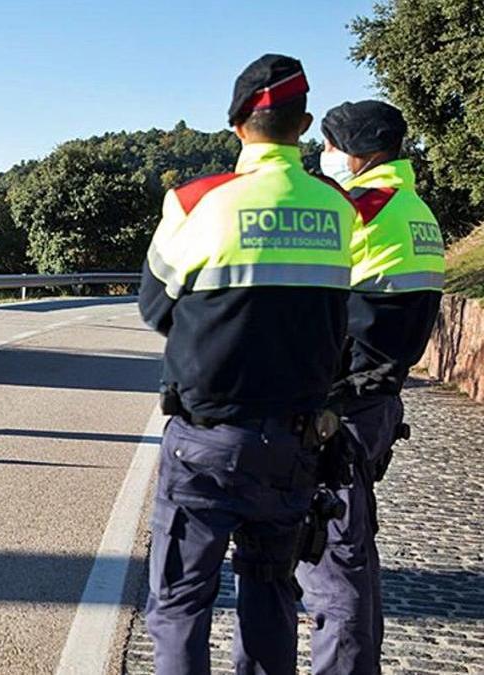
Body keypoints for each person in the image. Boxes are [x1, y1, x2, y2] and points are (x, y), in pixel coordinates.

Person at [138, 54, 361, 674]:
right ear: (307, 123)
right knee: (271, 597)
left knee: (181, 604)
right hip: (295, 443)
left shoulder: (194, 202)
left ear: (237, 124)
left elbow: (156, 308)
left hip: (206, 441)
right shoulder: (337, 206)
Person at [296, 101, 445, 675]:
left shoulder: (360, 208)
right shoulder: (413, 206)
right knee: (353, 553)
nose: (323, 155)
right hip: (379, 396)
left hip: (343, 403)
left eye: (330, 146)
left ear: (360, 153)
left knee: (332, 562)